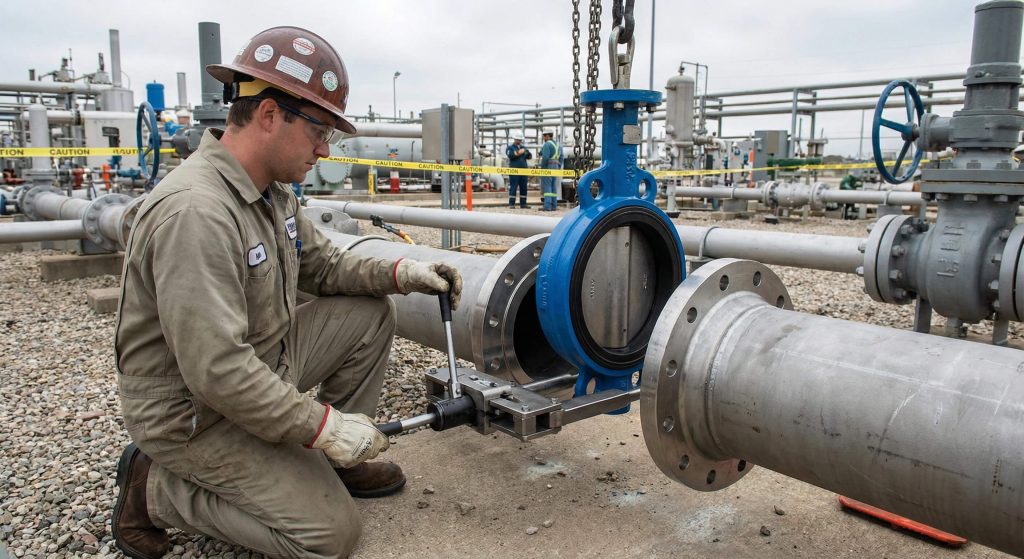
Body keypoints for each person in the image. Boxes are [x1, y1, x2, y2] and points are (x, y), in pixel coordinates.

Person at [110, 26, 463, 559]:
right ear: (270, 114)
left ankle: (335, 464)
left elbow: (325, 266)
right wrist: (322, 427)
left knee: (368, 315)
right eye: (319, 130)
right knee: (328, 536)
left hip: (261, 365)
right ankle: (154, 490)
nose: (324, 149)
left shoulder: (271, 194)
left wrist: (404, 273)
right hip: (193, 412)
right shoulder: (197, 213)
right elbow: (218, 371)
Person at [538, 131, 563, 211]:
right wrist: (558, 166)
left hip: (548, 166)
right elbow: (561, 157)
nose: (543, 138)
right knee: (553, 185)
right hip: (555, 166)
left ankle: (547, 206)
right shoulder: (558, 145)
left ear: (547, 136)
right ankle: (554, 205)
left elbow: (545, 157)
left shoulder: (547, 144)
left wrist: (543, 168)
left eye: (544, 136)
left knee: (547, 186)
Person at [505, 134, 530, 208]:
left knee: (524, 187)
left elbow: (529, 156)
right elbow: (511, 155)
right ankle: (512, 204)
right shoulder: (510, 148)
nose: (519, 141)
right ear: (514, 139)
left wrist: (527, 153)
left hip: (524, 171)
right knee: (513, 186)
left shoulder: (523, 147)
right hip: (514, 170)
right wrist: (519, 152)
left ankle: (523, 204)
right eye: (518, 140)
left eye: (520, 140)